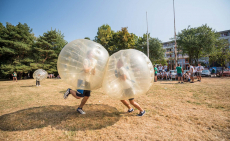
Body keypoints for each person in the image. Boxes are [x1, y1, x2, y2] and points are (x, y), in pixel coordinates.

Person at [64, 50, 97, 114]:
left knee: (87, 96)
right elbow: (86, 70)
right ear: (88, 55)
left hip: (88, 80)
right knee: (78, 96)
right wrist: (92, 66)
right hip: (81, 79)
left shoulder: (93, 62)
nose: (92, 55)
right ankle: (69, 90)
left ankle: (80, 108)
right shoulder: (86, 60)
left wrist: (94, 68)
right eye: (91, 54)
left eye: (93, 54)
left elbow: (93, 73)